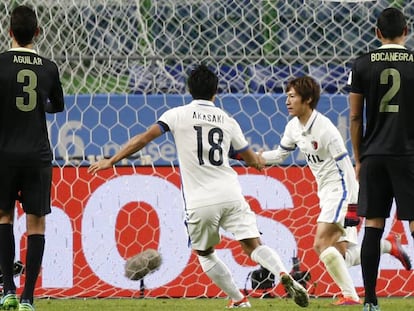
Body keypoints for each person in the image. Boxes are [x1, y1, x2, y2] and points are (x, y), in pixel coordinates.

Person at [88, 64, 309, 308]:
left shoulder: (176, 114)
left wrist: (112, 160)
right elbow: (251, 159)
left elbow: (143, 138)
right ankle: (282, 274)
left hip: (199, 201)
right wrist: (264, 159)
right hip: (231, 194)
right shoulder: (227, 120)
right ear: (216, 92)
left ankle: (238, 300)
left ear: (189, 90)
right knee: (253, 245)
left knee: (204, 253)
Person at [260, 76, 411, 307]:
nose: (287, 101)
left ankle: (350, 295)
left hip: (341, 191)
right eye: (287, 96)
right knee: (339, 254)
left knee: (321, 244)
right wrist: (253, 158)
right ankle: (388, 245)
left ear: (308, 99)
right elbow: (280, 155)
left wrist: (352, 204)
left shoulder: (326, 129)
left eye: (292, 96)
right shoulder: (293, 127)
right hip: (326, 193)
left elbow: (346, 168)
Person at [348, 7, 414, 311]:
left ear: (377, 32)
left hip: (374, 155)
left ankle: (371, 301)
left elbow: (354, 118)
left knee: (373, 225)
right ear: (406, 31)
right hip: (409, 155)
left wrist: (359, 159)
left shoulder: (361, 64)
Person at [0, 5, 64, 311]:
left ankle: (8, 291)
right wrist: (39, 107)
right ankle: (28, 298)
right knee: (36, 224)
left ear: (9, 31)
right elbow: (58, 105)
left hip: (4, 154)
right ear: (38, 33)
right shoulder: (48, 67)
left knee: (3, 218)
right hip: (38, 155)